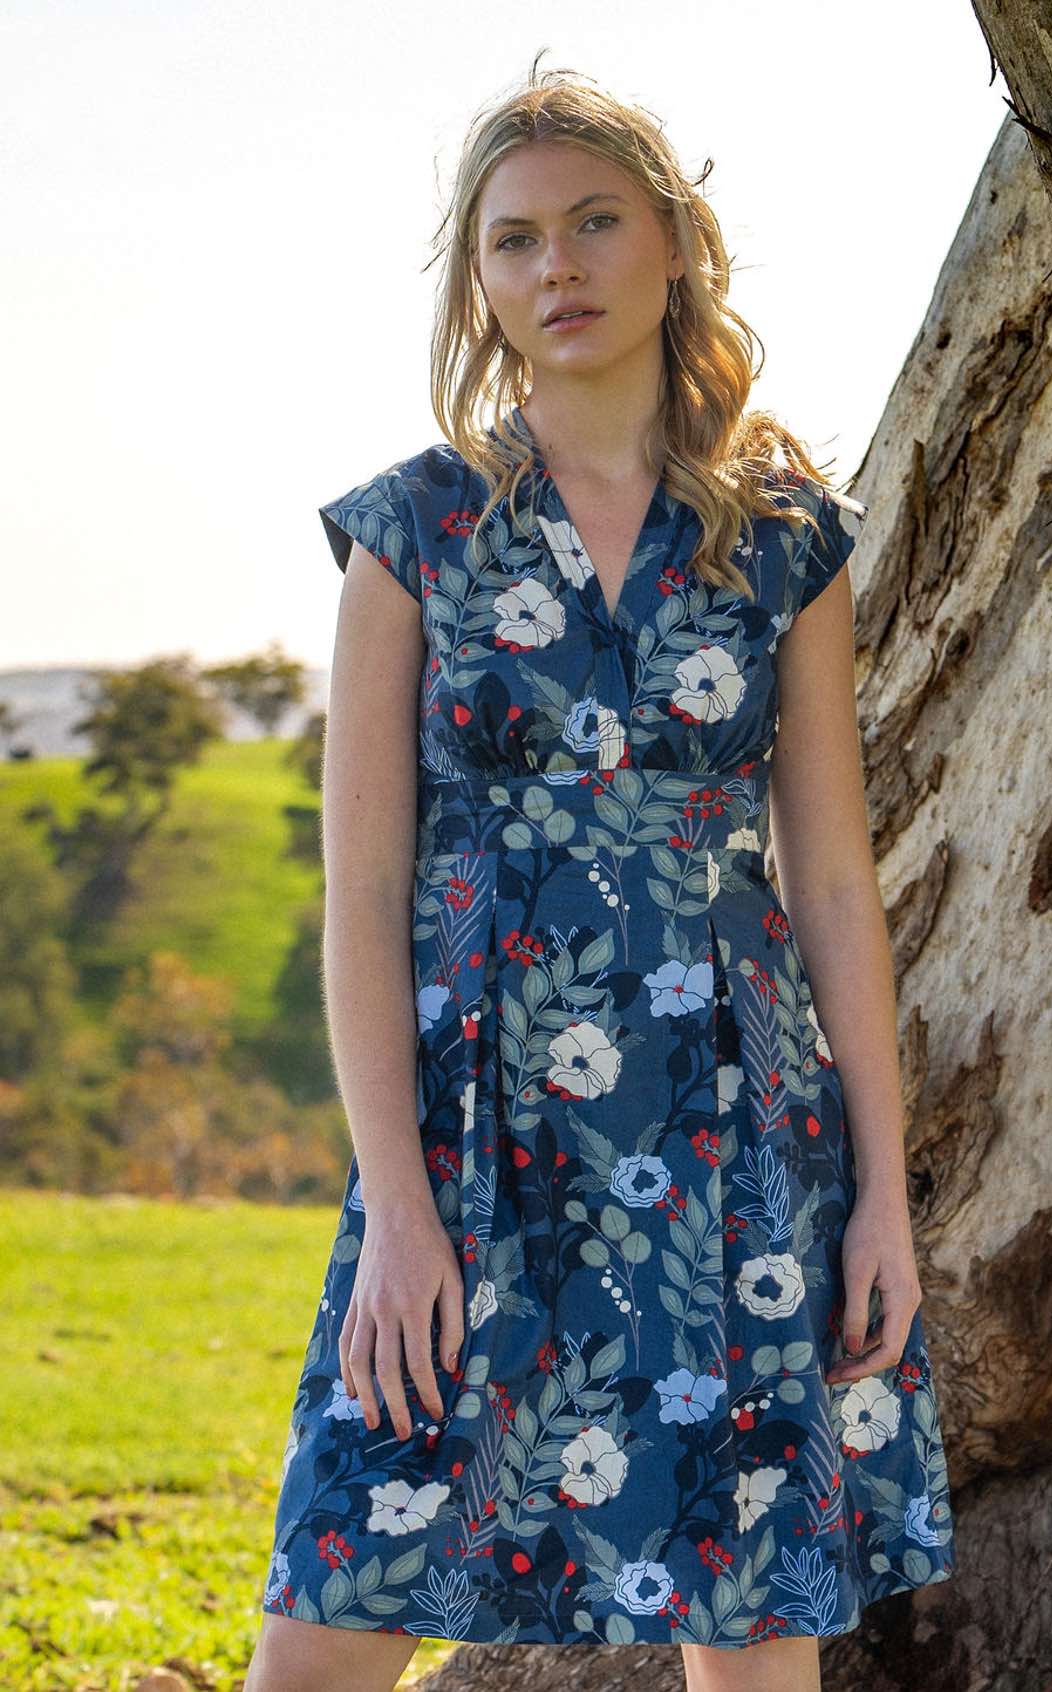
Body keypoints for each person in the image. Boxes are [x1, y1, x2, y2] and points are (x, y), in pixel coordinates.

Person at [245, 58, 955, 1692]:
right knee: (336, 1607)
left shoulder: (786, 540)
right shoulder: (411, 533)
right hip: (473, 1138)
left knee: (751, 1615)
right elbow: (360, 896)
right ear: (477, 285)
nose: (553, 268)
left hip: (734, 1131)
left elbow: (835, 882)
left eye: (590, 224)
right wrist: (400, 1212)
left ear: (673, 246)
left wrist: (885, 1196)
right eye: (510, 243)